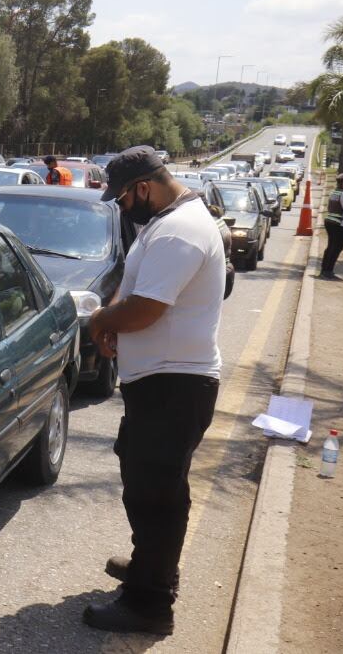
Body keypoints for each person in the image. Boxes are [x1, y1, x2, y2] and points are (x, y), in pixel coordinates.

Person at [83, 146, 224, 636]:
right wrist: (113, 312)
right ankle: (153, 567)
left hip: (175, 385)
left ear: (143, 187)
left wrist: (102, 317)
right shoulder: (165, 222)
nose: (122, 208)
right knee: (149, 487)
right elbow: (134, 281)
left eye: (122, 199)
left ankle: (149, 604)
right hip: (161, 383)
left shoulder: (181, 231)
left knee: (158, 496)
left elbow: (146, 309)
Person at [320, 172, 343, 280]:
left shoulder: (334, 192)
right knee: (336, 247)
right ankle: (328, 271)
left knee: (331, 246)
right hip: (338, 223)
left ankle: (325, 269)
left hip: (329, 220)